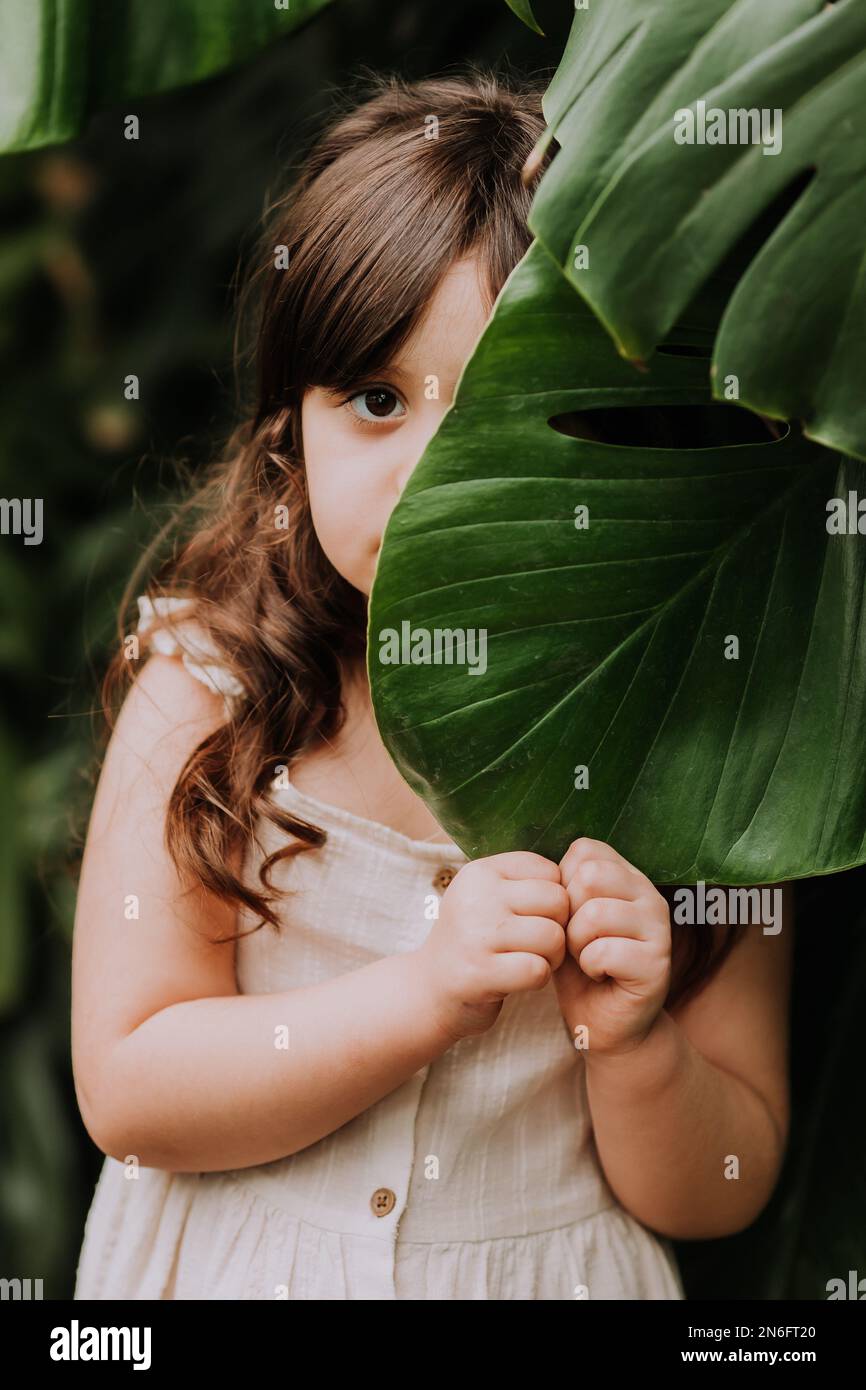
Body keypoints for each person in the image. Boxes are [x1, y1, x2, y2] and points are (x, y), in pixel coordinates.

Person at [71, 65, 793, 1301]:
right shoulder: (212, 687)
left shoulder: (698, 725)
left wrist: (632, 1044)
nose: (428, 476)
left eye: (497, 418)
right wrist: (420, 995)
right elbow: (132, 1086)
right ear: (287, 431)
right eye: (374, 399)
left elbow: (723, 1180)